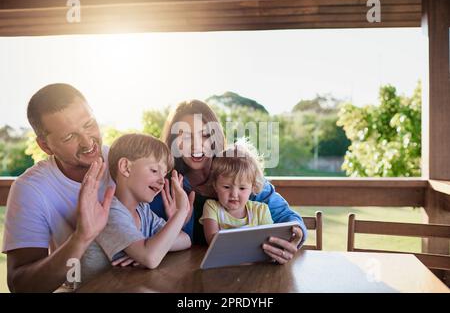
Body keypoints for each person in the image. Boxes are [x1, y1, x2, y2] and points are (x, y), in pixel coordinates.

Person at [151, 100, 308, 264]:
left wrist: (296, 234)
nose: (197, 145)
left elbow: (288, 217)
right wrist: (177, 222)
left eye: (205, 135)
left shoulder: (240, 169)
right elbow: (140, 231)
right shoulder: (163, 186)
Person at [2, 83, 115, 292]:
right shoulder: (30, 189)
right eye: (69, 136)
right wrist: (81, 237)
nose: (87, 141)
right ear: (45, 146)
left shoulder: (124, 160)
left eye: (89, 124)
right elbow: (20, 285)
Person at [80, 134, 192, 283]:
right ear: (126, 167)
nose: (161, 181)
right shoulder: (111, 213)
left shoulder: (143, 211)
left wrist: (149, 248)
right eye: (154, 170)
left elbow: (186, 240)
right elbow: (151, 258)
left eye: (164, 174)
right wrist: (181, 211)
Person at [199, 141, 273, 244]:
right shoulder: (212, 207)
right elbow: (212, 241)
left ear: (253, 187)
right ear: (215, 185)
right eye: (226, 187)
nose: (234, 194)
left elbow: (269, 242)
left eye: (242, 188)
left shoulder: (261, 211)